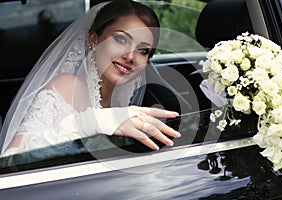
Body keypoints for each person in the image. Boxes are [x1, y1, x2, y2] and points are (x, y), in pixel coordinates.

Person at [0, 0, 182, 156]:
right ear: (94, 40)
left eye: (143, 50)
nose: (130, 56)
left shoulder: (120, 107)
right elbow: (11, 159)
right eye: (120, 39)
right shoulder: (67, 87)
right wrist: (87, 123)